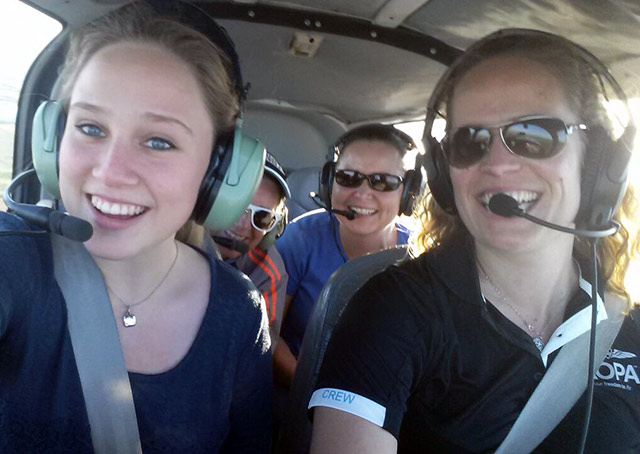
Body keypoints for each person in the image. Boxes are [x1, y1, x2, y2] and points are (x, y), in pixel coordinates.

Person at [309, 29, 640, 453]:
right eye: (471, 141)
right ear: (446, 175)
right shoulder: (394, 310)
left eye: (534, 135)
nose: (498, 164)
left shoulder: (626, 323)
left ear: (596, 164)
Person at [0, 3, 272, 452]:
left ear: (218, 172)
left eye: (158, 141)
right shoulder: (11, 257)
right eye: (90, 127)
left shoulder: (239, 315)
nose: (111, 173)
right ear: (53, 138)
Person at [274, 124, 419, 387]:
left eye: (383, 182)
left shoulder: (419, 256)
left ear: (407, 192)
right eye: (349, 178)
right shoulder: (301, 239)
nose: (363, 194)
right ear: (330, 183)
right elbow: (267, 333)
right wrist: (309, 393)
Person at [208, 151, 290, 345]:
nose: (244, 225)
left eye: (262, 217)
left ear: (275, 228)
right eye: (234, 205)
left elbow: (256, 352)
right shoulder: (169, 235)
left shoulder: (268, 272)